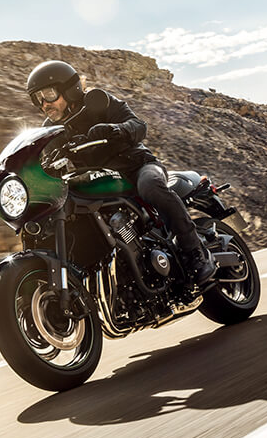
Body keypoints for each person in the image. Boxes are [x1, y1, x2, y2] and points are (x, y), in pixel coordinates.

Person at [25, 60, 216, 282]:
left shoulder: (97, 102)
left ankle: (196, 253)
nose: (44, 104)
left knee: (151, 187)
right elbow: (42, 159)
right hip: (98, 180)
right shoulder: (50, 129)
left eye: (48, 94)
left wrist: (116, 130)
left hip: (137, 167)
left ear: (69, 89)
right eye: (37, 99)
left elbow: (138, 125)